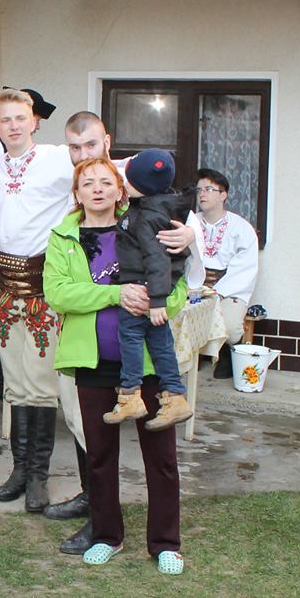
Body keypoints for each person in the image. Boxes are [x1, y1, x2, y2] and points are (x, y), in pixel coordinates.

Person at [41, 110, 201, 556]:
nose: (97, 189)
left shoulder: (146, 224)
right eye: (87, 183)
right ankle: (107, 535)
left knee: (161, 457)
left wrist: (156, 303)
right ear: (76, 192)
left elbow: (179, 283)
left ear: (119, 188)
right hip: (93, 359)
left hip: (147, 360)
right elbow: (57, 293)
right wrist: (116, 293)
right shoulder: (63, 237)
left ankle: (165, 543)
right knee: (99, 455)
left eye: (105, 182)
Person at [0, 88, 55, 400]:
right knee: (14, 385)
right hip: (2, 276)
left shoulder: (54, 159)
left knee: (42, 382)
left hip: (41, 280)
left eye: (21, 118)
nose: (14, 125)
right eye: (6, 120)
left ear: (33, 121)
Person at [103, 149, 193, 429]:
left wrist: (157, 300)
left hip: (143, 286)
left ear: (141, 185)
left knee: (130, 336)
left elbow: (157, 259)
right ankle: (175, 398)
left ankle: (130, 395)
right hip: (151, 287)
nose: (123, 181)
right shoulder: (156, 206)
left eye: (128, 179)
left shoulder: (148, 216)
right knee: (161, 343)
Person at [194, 168, 259, 378]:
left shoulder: (241, 227)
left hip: (229, 286)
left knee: (230, 326)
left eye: (208, 189)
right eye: (199, 190)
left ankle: (226, 352)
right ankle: (192, 355)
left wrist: (219, 290)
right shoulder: (190, 222)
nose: (202, 194)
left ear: (223, 195)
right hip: (194, 284)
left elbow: (245, 267)